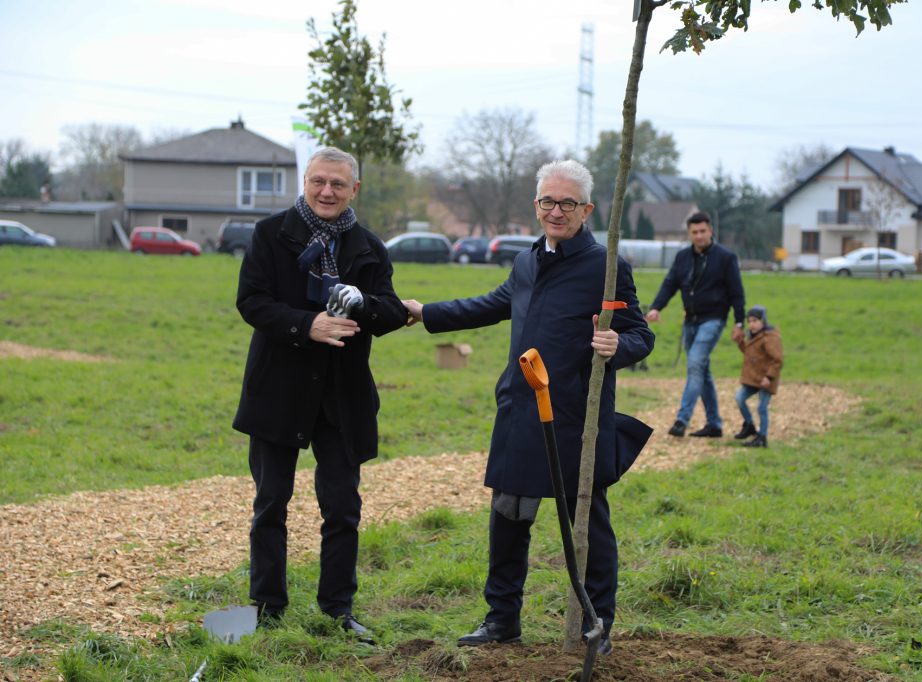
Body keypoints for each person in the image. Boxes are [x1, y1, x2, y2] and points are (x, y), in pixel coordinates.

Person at [403, 160, 654, 655]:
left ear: (586, 209)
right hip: (521, 409)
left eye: (566, 203)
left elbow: (640, 333)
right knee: (508, 518)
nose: (555, 211)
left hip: (575, 419)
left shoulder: (607, 267)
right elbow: (492, 304)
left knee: (587, 527)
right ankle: (502, 621)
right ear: (535, 205)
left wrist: (616, 347)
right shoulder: (525, 260)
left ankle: (594, 626)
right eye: (547, 201)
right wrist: (426, 313)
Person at [232, 147, 407, 639]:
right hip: (278, 391)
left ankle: (338, 611)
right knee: (270, 504)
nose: (326, 192)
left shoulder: (369, 246)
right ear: (304, 182)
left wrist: (363, 302)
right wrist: (305, 324)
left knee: (343, 508)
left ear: (355, 190)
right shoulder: (271, 234)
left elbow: (392, 311)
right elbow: (252, 301)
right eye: (318, 182)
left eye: (337, 184)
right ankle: (267, 610)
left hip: (341, 397)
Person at [645, 212, 745, 438]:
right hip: (689, 320)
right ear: (689, 234)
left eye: (703, 231)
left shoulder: (726, 257)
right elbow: (670, 284)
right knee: (702, 370)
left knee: (695, 365)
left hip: (714, 319)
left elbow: (737, 293)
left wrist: (739, 322)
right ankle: (714, 424)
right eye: (694, 232)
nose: (699, 236)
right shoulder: (682, 257)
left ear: (710, 231)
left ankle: (682, 420)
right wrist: (656, 307)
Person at [733, 305, 783, 448]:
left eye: (755, 320)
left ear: (763, 321)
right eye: (749, 321)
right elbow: (752, 354)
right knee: (739, 398)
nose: (752, 324)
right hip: (754, 379)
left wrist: (769, 377)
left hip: (766, 379)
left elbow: (778, 359)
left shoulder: (770, 337)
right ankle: (749, 425)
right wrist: (740, 343)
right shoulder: (753, 335)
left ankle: (762, 437)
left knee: (762, 407)